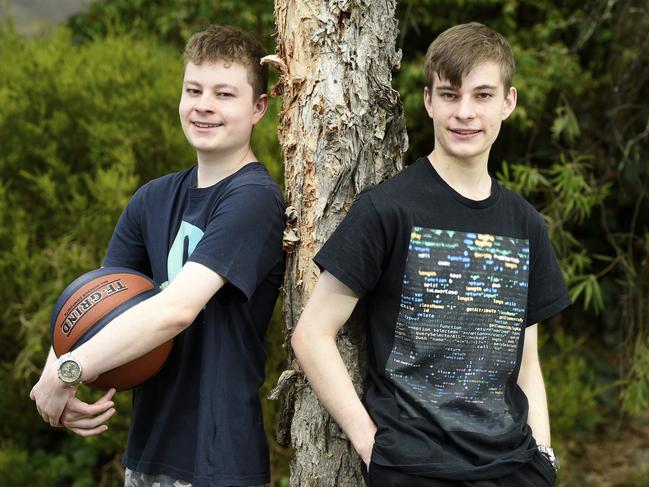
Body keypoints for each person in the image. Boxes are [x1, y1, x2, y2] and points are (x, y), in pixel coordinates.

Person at [291, 22, 571, 487]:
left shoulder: (525, 224)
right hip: (414, 468)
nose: (465, 112)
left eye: (482, 95)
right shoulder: (388, 209)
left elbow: (526, 361)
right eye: (450, 94)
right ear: (428, 101)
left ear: (508, 102)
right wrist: (372, 446)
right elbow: (312, 335)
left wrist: (544, 456)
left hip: (514, 470)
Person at [30, 25, 285, 487]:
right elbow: (92, 304)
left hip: (218, 460)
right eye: (194, 90)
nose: (204, 105)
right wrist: (53, 374)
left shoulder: (255, 199)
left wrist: (69, 371)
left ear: (258, 108)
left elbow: (176, 310)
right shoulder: (153, 198)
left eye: (224, 94)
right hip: (147, 453)